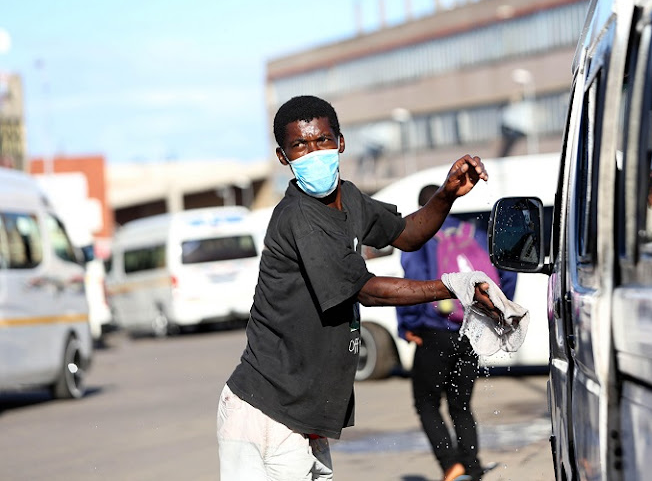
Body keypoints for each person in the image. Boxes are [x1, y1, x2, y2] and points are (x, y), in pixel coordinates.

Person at [216, 95, 506, 480]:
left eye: (321, 140)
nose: (313, 152)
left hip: (302, 415)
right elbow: (365, 289)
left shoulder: (348, 198)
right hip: (266, 412)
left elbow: (407, 233)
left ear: (340, 141)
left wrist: (446, 193)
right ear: (283, 157)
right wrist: (455, 285)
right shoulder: (298, 216)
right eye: (299, 146)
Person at [396, 184, 517, 481]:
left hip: (435, 330)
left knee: (426, 403)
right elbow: (506, 275)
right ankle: (472, 466)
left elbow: (411, 283)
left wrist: (408, 326)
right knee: (461, 405)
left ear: (422, 210)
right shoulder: (471, 233)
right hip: (471, 332)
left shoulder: (422, 239)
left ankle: (451, 464)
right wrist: (496, 314)